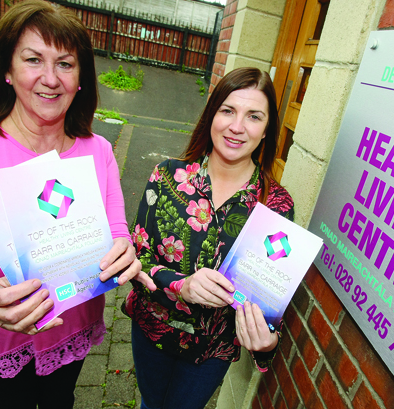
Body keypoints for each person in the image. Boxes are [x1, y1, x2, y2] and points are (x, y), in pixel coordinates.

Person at [0, 1, 154, 408]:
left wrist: (124, 253)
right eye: (33, 59)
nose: (50, 79)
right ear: (7, 69)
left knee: (61, 401)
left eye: (66, 64)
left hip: (71, 328)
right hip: (1, 338)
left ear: (81, 79)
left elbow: (116, 234)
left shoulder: (99, 151)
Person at [122, 67, 294, 409]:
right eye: (228, 110)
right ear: (211, 114)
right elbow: (136, 260)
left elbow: (270, 295)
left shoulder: (275, 206)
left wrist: (267, 343)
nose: (237, 126)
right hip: (154, 330)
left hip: (212, 350)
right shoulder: (167, 176)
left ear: (266, 131)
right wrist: (180, 286)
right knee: (150, 404)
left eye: (254, 116)